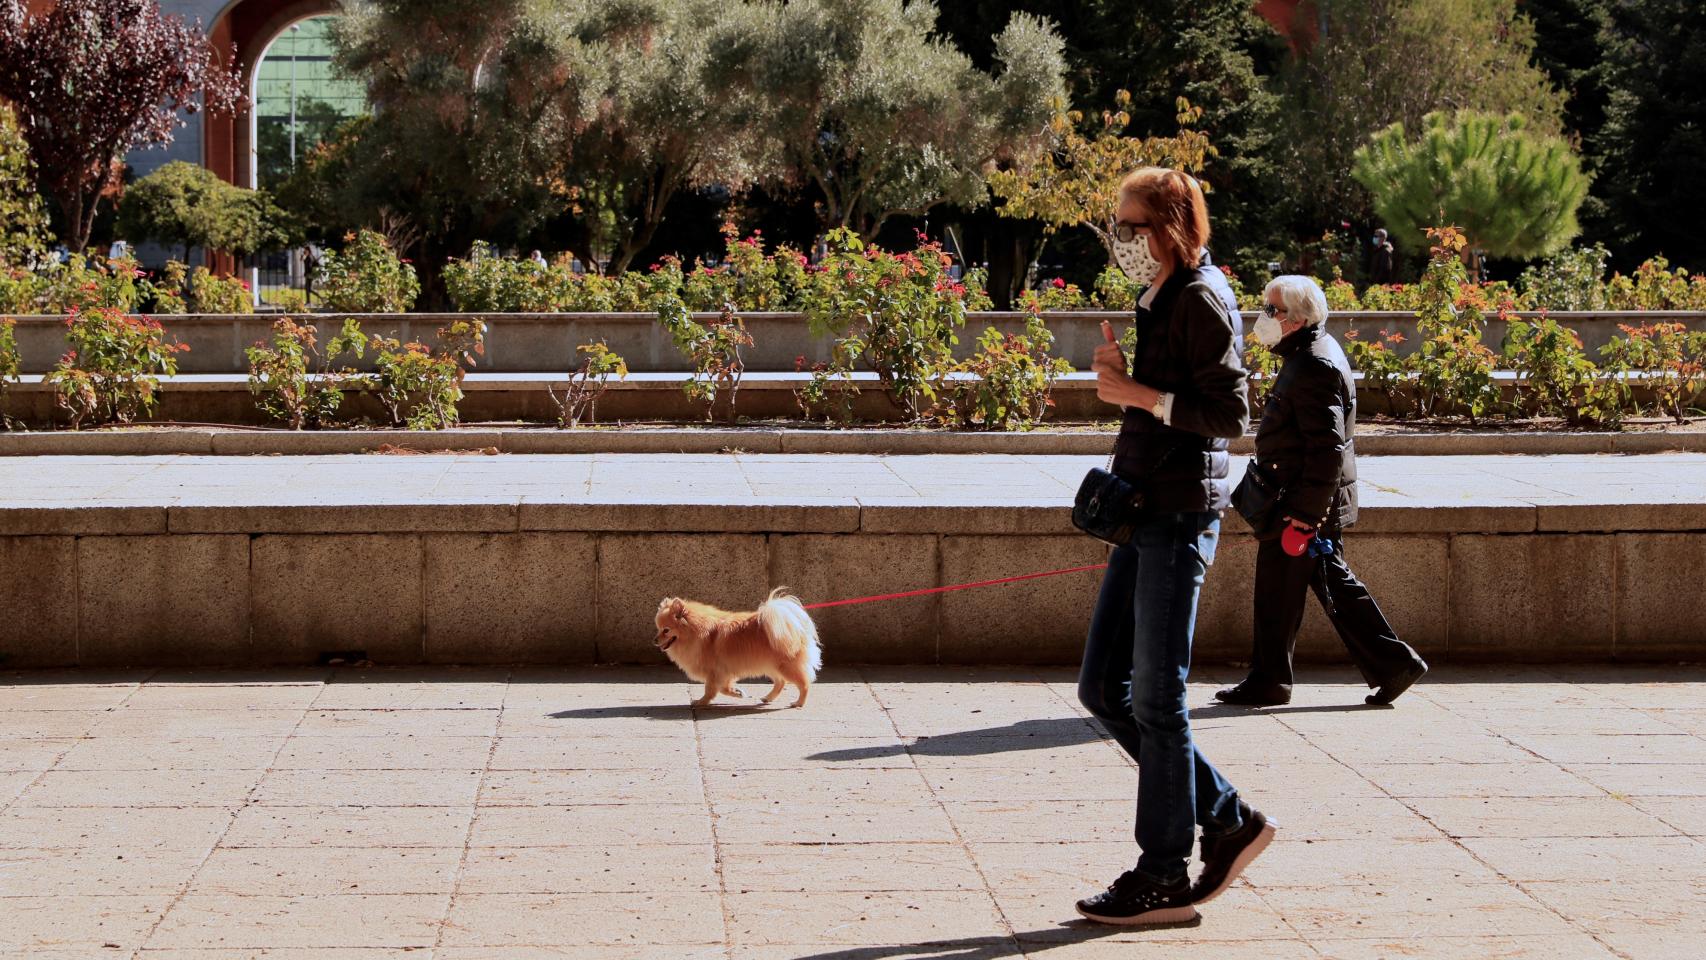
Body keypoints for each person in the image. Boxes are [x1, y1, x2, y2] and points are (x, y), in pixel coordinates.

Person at [1076, 167, 1277, 926]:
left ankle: (1163, 872)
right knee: (1104, 689)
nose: (1120, 239)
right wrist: (1124, 378)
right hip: (1143, 510)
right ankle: (1227, 818)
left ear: (1167, 226)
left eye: (1130, 226)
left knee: (1158, 700)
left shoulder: (1200, 296)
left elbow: (1227, 412)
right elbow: (1170, 397)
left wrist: (1138, 396)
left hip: (1178, 516)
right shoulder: (1160, 292)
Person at [1216, 276, 1429, 708]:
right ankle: (1382, 666)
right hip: (1300, 499)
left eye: (1272, 310)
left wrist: (1305, 515)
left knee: (1300, 588)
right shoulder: (1309, 354)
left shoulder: (1313, 365)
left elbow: (1327, 450)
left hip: (1299, 502)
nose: (1265, 317)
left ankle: (1281, 679)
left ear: (1297, 319)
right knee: (1313, 586)